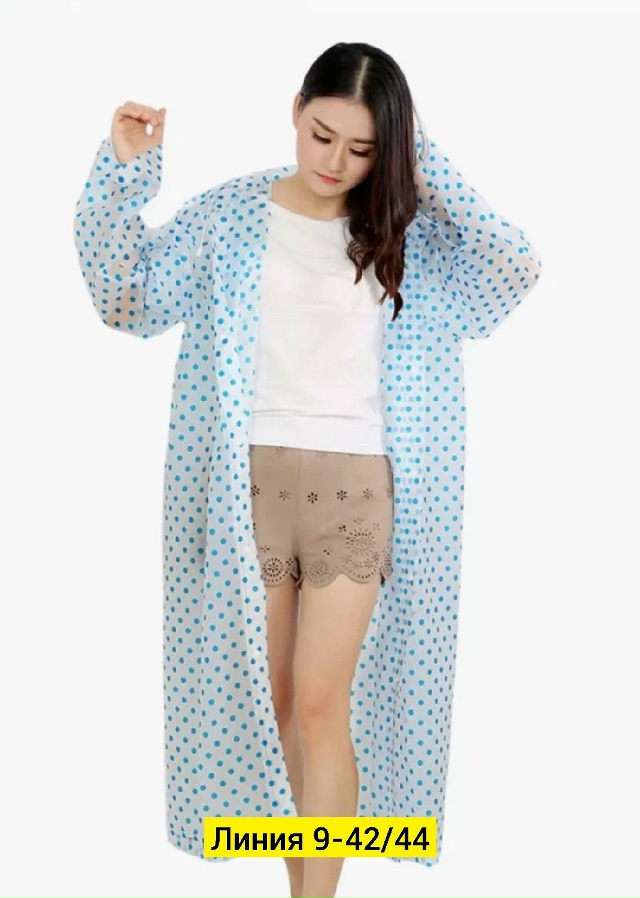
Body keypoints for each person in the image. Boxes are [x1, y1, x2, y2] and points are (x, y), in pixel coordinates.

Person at [73, 41, 542, 898]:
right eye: (323, 135)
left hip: (357, 491)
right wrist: (124, 174)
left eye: (363, 149)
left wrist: (420, 160)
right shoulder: (229, 215)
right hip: (245, 489)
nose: (336, 162)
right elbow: (126, 298)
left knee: (324, 706)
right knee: (278, 705)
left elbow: (516, 266)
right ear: (296, 110)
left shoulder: (410, 234)